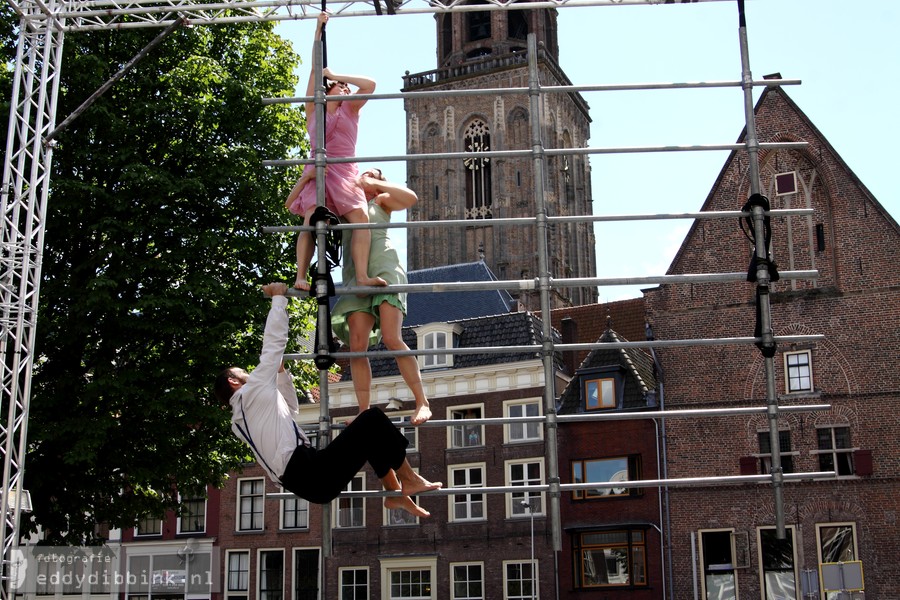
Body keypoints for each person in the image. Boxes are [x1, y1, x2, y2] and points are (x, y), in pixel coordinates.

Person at [214, 282, 441, 516]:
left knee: (368, 433)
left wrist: (281, 374)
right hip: (308, 472)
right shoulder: (251, 391)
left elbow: (290, 410)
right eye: (244, 372)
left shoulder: (239, 420)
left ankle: (394, 494)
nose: (250, 373)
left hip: (304, 480)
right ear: (233, 381)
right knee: (372, 418)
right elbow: (273, 344)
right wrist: (278, 299)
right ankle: (409, 479)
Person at [285, 12, 387, 293]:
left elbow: (370, 84)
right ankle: (301, 275)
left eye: (345, 86)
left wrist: (336, 74)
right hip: (319, 169)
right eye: (339, 86)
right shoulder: (313, 112)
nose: (345, 88)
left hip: (344, 172)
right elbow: (313, 70)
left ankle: (363, 275)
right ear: (326, 92)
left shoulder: (350, 110)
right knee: (310, 220)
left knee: (361, 220)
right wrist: (318, 31)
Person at [331, 169, 432, 425]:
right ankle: (363, 412)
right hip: (357, 277)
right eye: (365, 172)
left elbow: (410, 198)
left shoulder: (381, 200)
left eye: (375, 173)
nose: (366, 174)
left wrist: (374, 182)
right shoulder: (347, 204)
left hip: (385, 269)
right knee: (356, 347)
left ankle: (422, 401)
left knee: (391, 337)